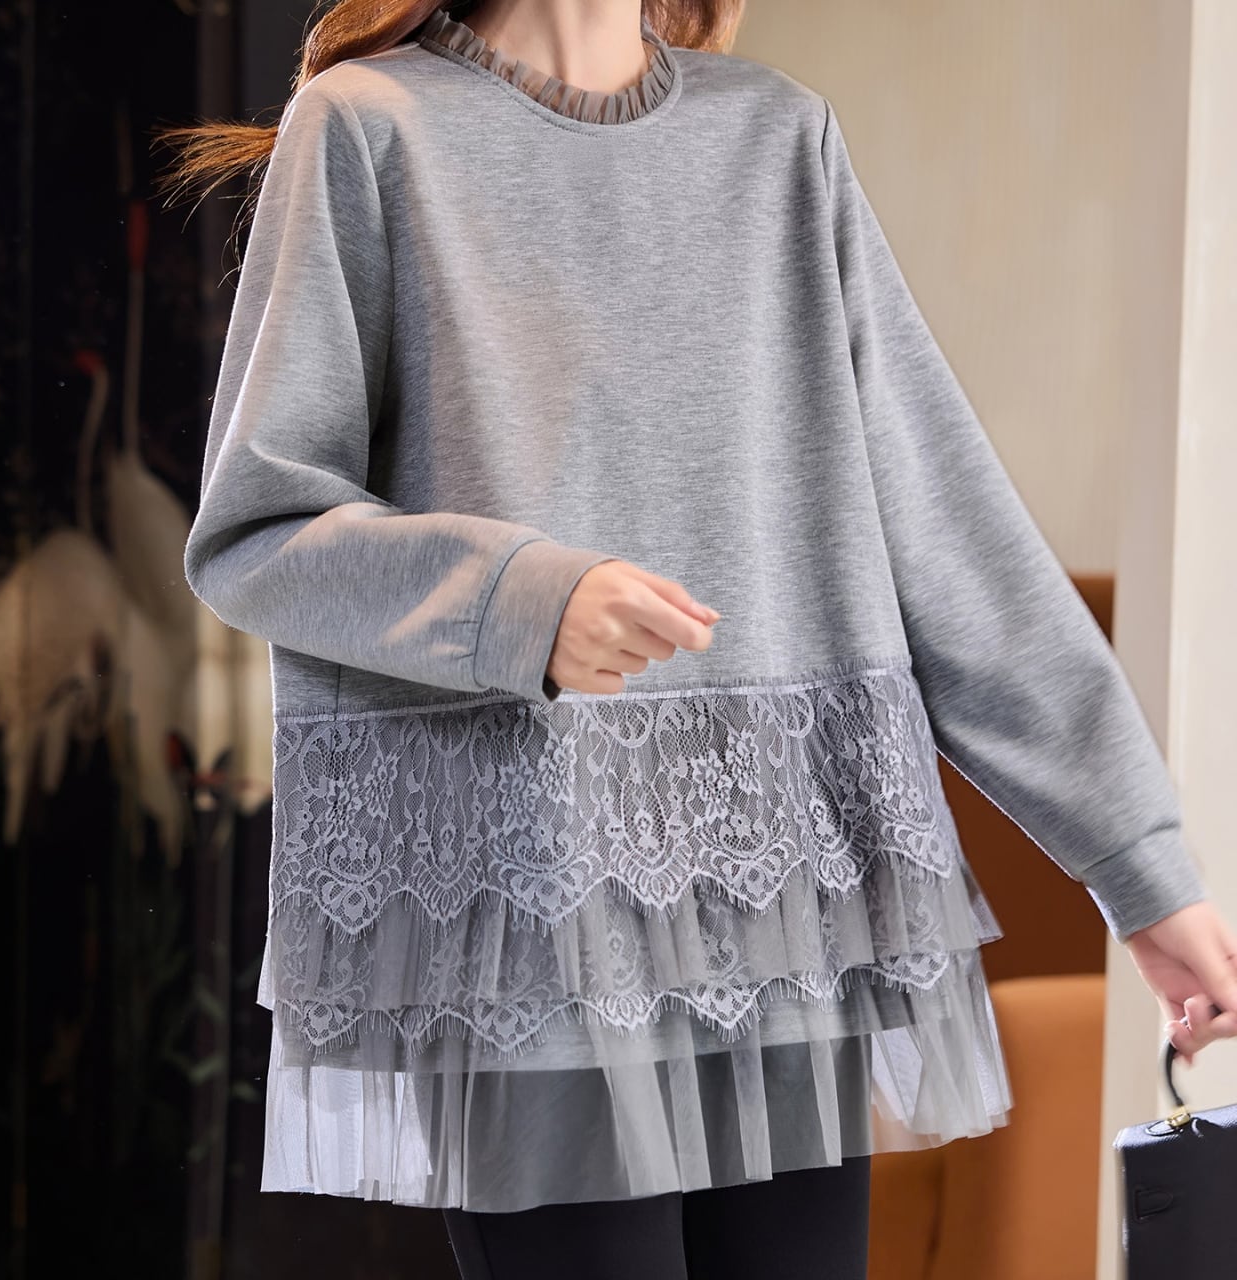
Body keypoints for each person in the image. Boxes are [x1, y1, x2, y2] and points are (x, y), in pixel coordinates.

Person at [157, 1, 1237, 1276]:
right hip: (534, 909)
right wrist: (523, 598)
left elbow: (948, 535)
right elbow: (259, 530)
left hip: (781, 900)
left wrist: (1138, 867)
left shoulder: (777, 139)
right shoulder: (368, 126)